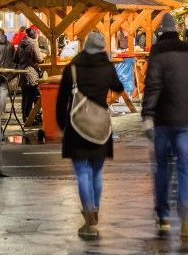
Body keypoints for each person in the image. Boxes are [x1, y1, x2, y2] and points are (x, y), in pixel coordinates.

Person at [142, 13, 188, 239]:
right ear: (177, 30)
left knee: (162, 168)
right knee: (186, 166)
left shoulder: (157, 52)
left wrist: (147, 114)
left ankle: (163, 216)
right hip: (184, 118)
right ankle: (187, 212)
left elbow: (152, 85)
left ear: (161, 30)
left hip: (162, 119)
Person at [56, 30, 124, 240]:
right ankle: (95, 209)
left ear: (85, 47)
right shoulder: (107, 67)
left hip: (77, 126)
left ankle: (88, 217)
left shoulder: (72, 67)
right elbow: (119, 87)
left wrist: (62, 126)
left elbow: (61, 100)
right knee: (96, 172)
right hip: (100, 127)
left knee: (82, 172)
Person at [15, 27, 44, 122]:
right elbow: (39, 59)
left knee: (25, 96)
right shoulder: (33, 43)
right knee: (32, 95)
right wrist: (42, 58)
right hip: (31, 72)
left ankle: (25, 118)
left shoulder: (20, 43)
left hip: (22, 72)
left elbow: (14, 58)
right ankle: (30, 118)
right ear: (34, 36)